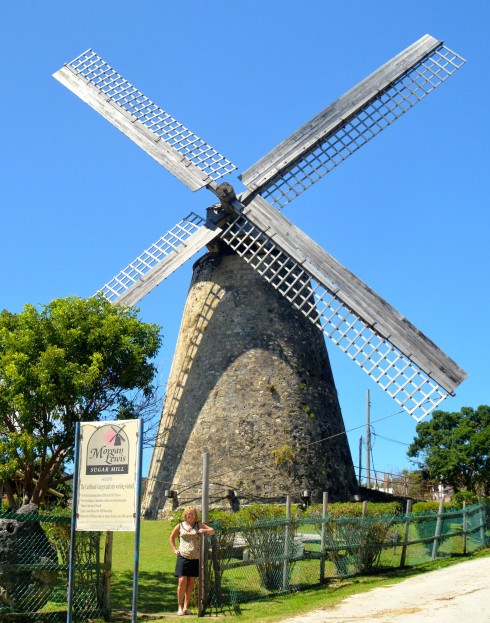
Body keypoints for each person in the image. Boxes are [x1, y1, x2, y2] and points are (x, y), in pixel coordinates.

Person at [169, 506, 215, 616]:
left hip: (195, 558)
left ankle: (186, 607)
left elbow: (212, 531)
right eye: (189, 514)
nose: (190, 516)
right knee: (182, 581)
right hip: (183, 556)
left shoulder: (198, 524)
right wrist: (175, 549)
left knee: (191, 583)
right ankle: (179, 607)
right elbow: (171, 538)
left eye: (193, 514)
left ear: (195, 515)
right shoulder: (180, 526)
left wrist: (205, 530)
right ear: (185, 515)